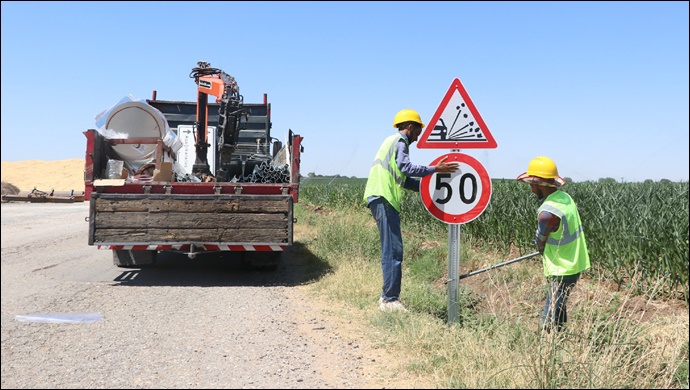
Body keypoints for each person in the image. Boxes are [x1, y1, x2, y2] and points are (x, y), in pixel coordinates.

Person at [363, 109, 459, 312]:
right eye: (418, 130)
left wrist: (429, 189)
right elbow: (406, 168)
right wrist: (435, 169)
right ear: (409, 127)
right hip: (384, 197)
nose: (419, 136)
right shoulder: (400, 142)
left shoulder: (391, 142)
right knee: (393, 251)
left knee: (392, 250)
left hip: (381, 198)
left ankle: (387, 297)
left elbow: (403, 179)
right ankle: (389, 300)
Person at [517, 156, 591, 332]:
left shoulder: (547, 213)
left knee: (550, 313)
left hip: (561, 267)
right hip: (575, 261)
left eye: (532, 183)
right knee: (559, 306)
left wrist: (542, 248)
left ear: (541, 184)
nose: (531, 187)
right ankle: (562, 337)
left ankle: (548, 344)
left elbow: (540, 243)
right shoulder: (564, 198)